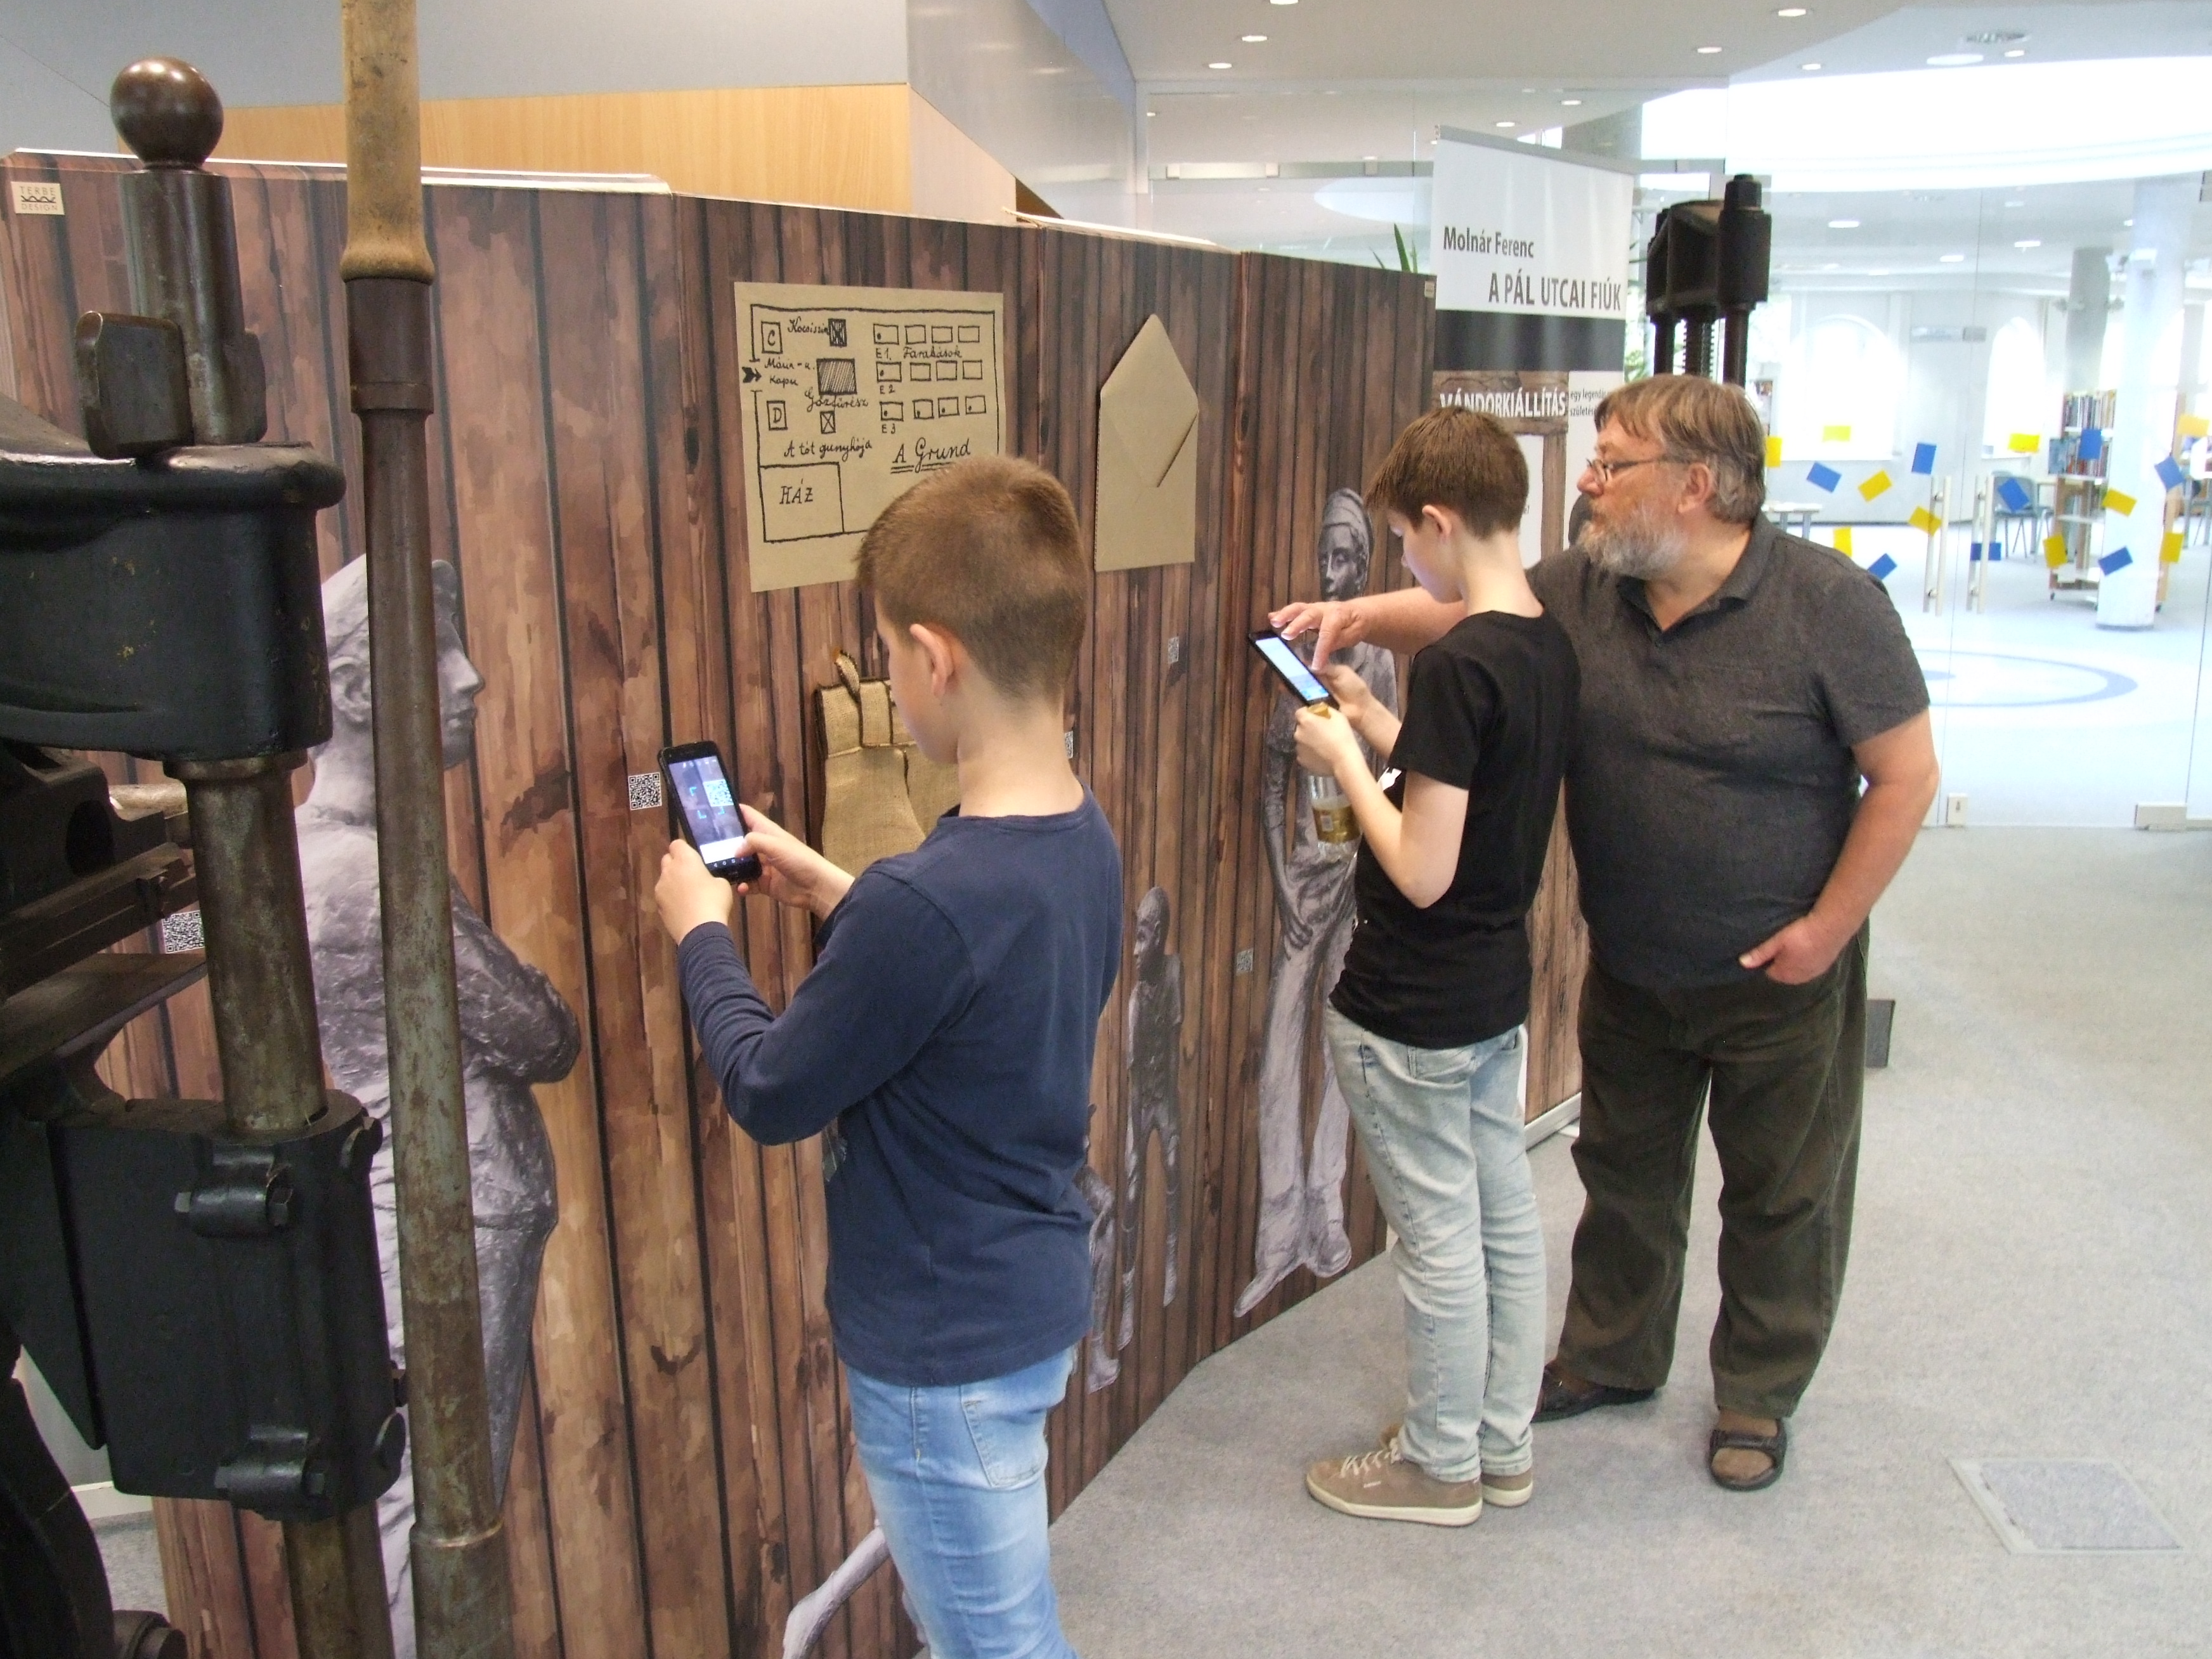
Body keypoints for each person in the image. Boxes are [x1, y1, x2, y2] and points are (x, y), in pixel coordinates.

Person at [1276, 375, 1939, 1492]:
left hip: (1780, 969)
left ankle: (1757, 1396)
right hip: (1629, 958)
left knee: (1783, 1193)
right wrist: (1350, 619)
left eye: (1612, 462)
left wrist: (1829, 931)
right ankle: (1611, 1355)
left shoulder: (1830, 606)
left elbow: (1907, 776)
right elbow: (1467, 612)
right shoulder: (1589, 587)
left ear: (1696, 486)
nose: (1587, 482)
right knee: (1624, 1173)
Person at [654, 455, 1120, 1658]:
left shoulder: (923, 906)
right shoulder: (1080, 835)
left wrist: (701, 934)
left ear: (933, 657)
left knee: (998, 1645)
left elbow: (769, 1088)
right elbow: (976, 979)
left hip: (940, 1350)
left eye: (887, 656)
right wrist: (838, 890)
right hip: (1023, 1296)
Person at [1295, 408, 1577, 1527]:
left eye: (1406, 540)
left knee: (1441, 1241)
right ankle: (1499, 1444)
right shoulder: (1544, 643)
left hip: (1411, 1007)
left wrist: (1338, 758)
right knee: (1501, 1218)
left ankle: (1440, 1460)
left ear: (1440, 521)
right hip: (1490, 995)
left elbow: (1419, 868)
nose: (1405, 563)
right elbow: (1467, 793)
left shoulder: (1458, 663)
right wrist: (1376, 724)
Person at [297, 555, 581, 1658]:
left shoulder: (357, 856)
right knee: (435, 1508)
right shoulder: (369, 876)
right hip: (441, 1224)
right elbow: (542, 1032)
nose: (470, 679)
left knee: (434, 1500)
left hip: (447, 1217)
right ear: (355, 690)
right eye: (435, 651)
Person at [1236, 488, 1399, 1318]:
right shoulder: (1298, 658)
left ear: (1363, 565)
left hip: (1354, 869)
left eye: (1346, 558)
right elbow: (1274, 774)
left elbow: (1394, 768)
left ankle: (1326, 1207)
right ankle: (1278, 1223)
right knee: (1281, 1042)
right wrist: (1279, 876)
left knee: (1339, 1043)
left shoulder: (1380, 664)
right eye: (1326, 557)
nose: (1333, 571)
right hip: (1303, 876)